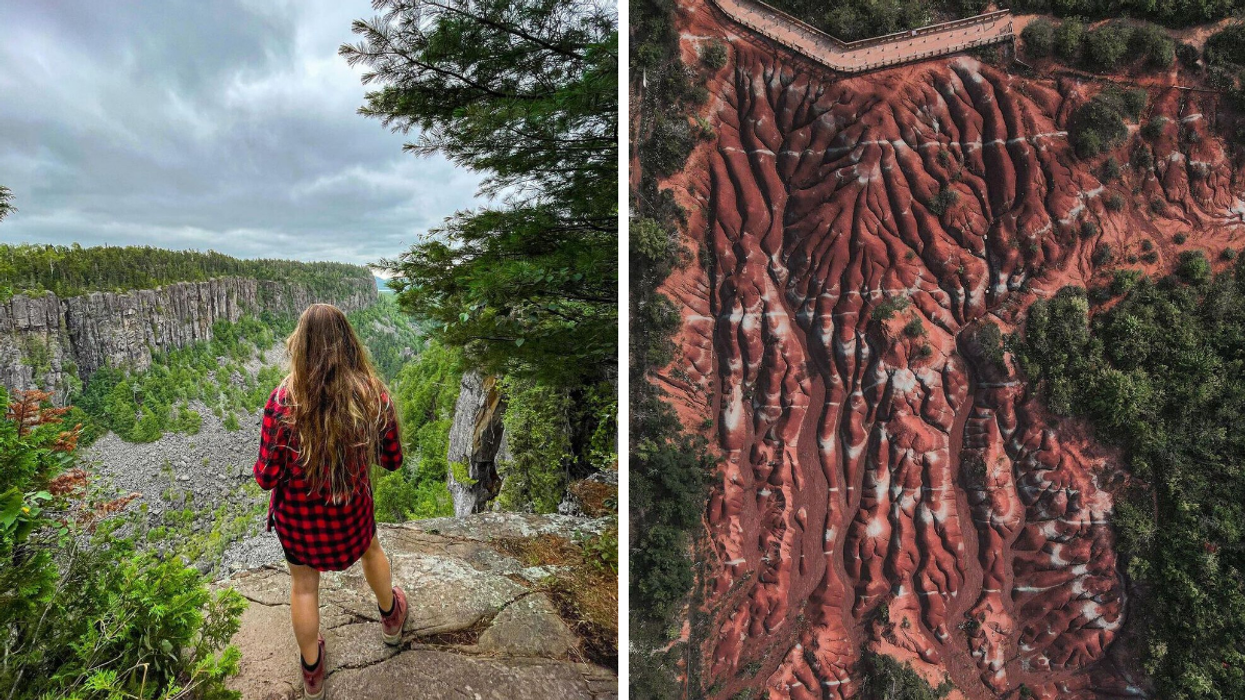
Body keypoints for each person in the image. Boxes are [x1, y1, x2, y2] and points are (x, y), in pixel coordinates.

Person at [253, 303, 409, 699]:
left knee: (304, 588)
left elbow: (266, 477)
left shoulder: (283, 401)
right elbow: (392, 460)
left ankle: (312, 674)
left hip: (300, 527)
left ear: (301, 346)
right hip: (352, 521)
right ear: (348, 343)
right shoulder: (373, 395)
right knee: (373, 551)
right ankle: (391, 618)